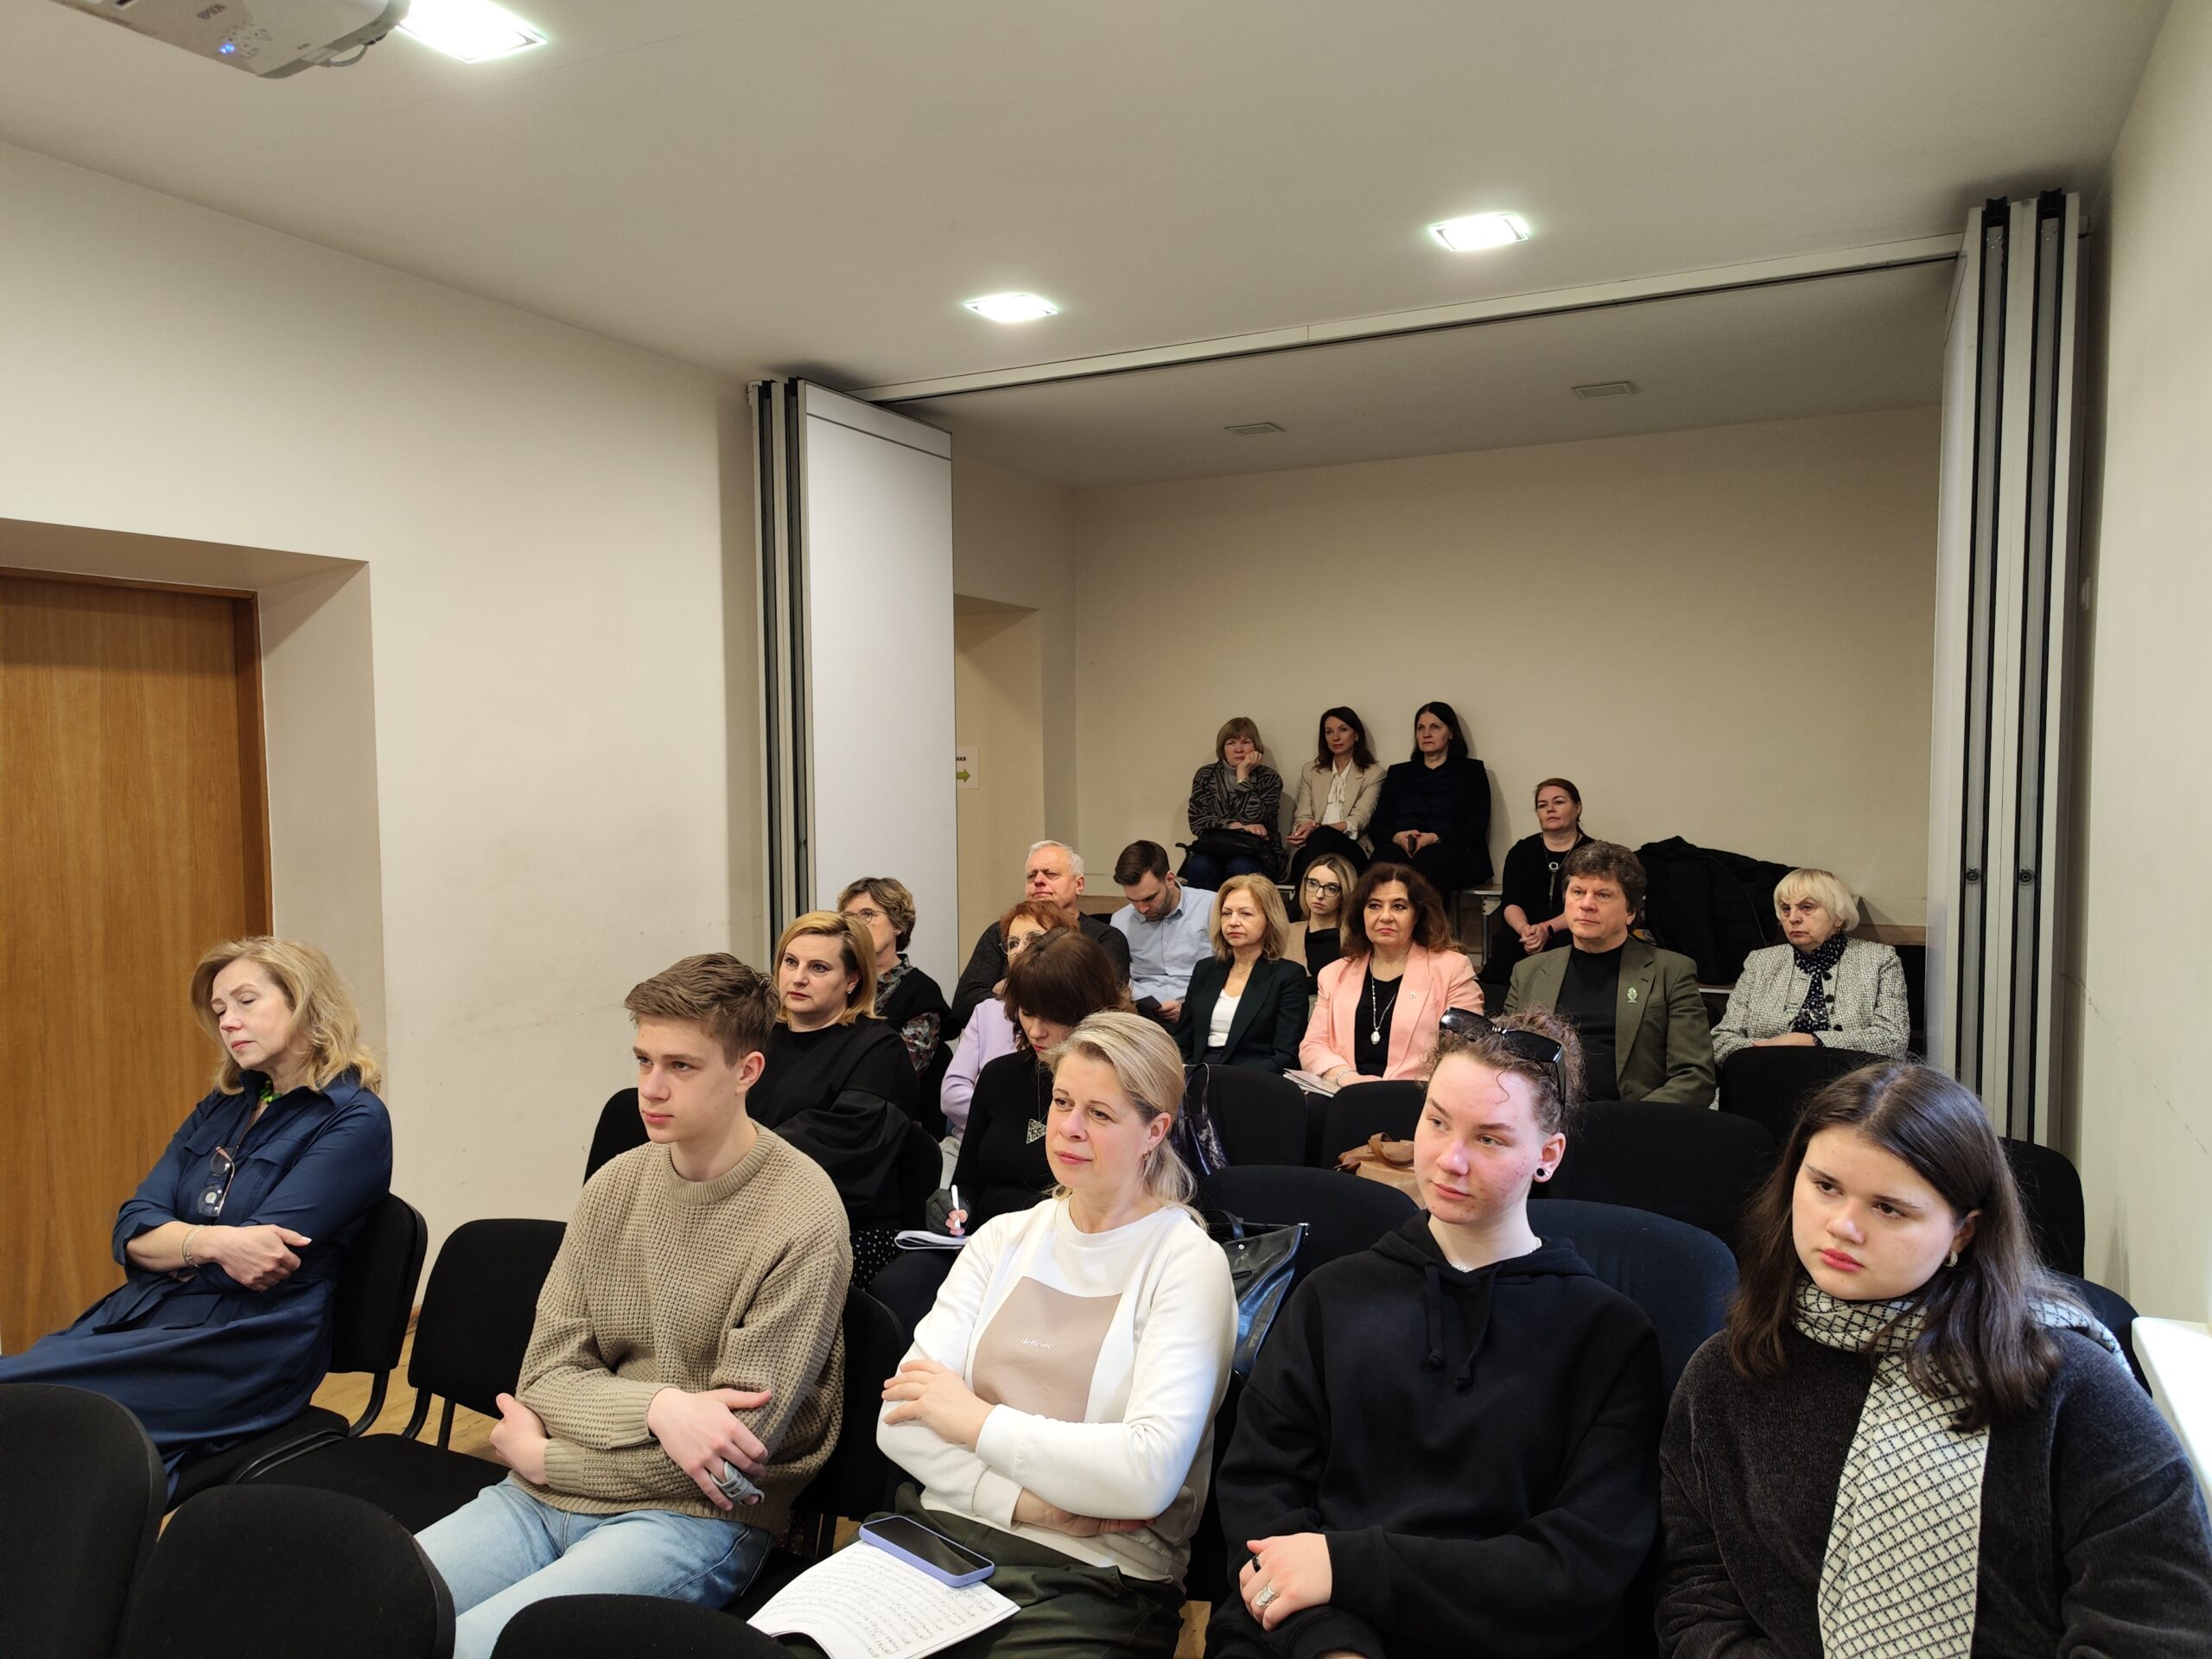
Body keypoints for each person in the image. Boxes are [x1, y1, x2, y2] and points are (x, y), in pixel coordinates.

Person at [1658, 1063, 2212, 1657]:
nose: (1843, 1226)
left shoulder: (2066, 1380)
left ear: (1963, 1232)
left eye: (1889, 1208)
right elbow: (1698, 1599)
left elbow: (2157, 1619)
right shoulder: (1729, 1372)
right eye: (1826, 1186)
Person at [416, 954, 850, 1659]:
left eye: (681, 1066)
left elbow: (729, 1464)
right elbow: (545, 1378)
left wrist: (551, 1458)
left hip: (691, 1519)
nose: (651, 1088)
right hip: (539, 1497)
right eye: (644, 1060)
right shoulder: (614, 1185)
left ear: (746, 1071)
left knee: (476, 1650)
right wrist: (663, 1409)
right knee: (380, 1615)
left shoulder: (803, 1214)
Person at [1206, 1009, 1664, 1659]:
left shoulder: (1609, 1338)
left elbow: (1577, 1571)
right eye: (1437, 1122)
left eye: (1490, 1139)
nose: (1450, 1160)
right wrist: (1332, 1645)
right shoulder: (1330, 1298)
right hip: (1310, 1637)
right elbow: (1260, 1505)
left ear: (1548, 1156)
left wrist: (1349, 1568)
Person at [867, 1012, 1237, 1659]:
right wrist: (1035, 1505)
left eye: (1100, 1114)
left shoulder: (1186, 1264)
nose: (1067, 1128)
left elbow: (1145, 1475)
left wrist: (974, 1420)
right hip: (938, 1536)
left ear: (1155, 1131)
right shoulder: (1003, 1238)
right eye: (1062, 1102)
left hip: (1097, 1572)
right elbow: (898, 1422)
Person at [0, 938, 391, 1487]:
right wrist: (209, 1243)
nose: (228, 1022)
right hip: (148, 1315)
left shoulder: (353, 1119)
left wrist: (175, 1245)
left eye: (246, 1001)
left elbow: (253, 1264)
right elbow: (131, 1227)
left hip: (242, 1346)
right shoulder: (222, 1106)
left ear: (305, 1002)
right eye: (220, 1009)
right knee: (39, 1426)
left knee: (33, 1413)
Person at [751, 912, 918, 1287]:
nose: (798, 978)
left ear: (852, 980)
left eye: (819, 968)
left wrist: (735, 1158)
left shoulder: (878, 1049)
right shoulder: (759, 1038)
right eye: (790, 962)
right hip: (751, 1213)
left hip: (843, 1229)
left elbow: (842, 1148)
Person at [1507, 842, 1715, 1106]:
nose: (1587, 904)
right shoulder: (1528, 972)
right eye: (1578, 892)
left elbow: (1695, 1077)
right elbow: (1504, 1061)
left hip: (1632, 1119)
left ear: (1630, 912)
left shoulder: (1671, 972)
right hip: (1545, 1119)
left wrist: (1630, 1121)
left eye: (1603, 895)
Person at [1300, 862, 1483, 1085]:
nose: (1385, 916)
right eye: (1374, 906)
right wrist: (1346, 1078)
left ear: (1417, 915)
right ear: (1361, 914)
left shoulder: (1452, 969)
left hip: (1418, 1094)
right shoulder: (1333, 974)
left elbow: (1465, 1050)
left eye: (1398, 907)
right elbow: (1313, 1045)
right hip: (1345, 1090)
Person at [1709, 868, 1910, 1065]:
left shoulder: (1879, 959)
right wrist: (1770, 1050)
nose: (1793, 918)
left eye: (1806, 907)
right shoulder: (1760, 961)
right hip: (1767, 1075)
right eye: (1786, 909)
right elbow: (1721, 1041)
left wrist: (1810, 1041)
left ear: (1838, 916)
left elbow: (1893, 1040)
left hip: (1849, 1082)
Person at [949, 840, 1131, 1033]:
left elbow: (1099, 1007)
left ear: (1079, 884)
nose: (1038, 881)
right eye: (1031, 875)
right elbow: (964, 1006)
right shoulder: (1002, 931)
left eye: (1051, 874)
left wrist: (1010, 990)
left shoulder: (1105, 938)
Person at [938, 899, 1075, 1138]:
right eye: (1013, 943)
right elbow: (952, 1094)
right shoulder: (987, 1011)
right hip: (975, 1137)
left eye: (1033, 939)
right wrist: (1004, 1123)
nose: (1019, 950)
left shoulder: (1073, 1014)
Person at [1178, 875, 1310, 1072]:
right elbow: (1182, 1041)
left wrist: (1232, 1078)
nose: (1233, 922)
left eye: (1245, 914)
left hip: (1252, 1076)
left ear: (1270, 919)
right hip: (1198, 1071)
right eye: (1226, 913)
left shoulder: (1288, 975)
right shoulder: (1205, 969)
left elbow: (1285, 1054)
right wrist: (1190, 1071)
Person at [1365, 701, 1493, 897]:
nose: (1426, 734)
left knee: (1428, 861)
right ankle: (1383, 915)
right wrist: (1397, 837)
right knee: (1384, 860)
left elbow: (1475, 828)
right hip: (1402, 848)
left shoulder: (1471, 772)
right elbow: (1378, 826)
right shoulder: (1399, 773)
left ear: (1451, 733)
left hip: (1453, 850)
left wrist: (1434, 837)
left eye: (1435, 727)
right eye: (1420, 728)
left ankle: (1425, 919)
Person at [1484, 776, 1594, 991]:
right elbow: (1511, 902)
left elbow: (1586, 905)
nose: (1550, 809)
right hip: (1525, 931)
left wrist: (1546, 929)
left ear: (1578, 808)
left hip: (1570, 928)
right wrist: (1525, 930)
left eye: (1559, 802)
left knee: (1570, 943)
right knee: (1506, 942)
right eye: (1542, 805)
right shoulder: (1521, 851)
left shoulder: (1593, 853)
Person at [838, 875, 949, 1078]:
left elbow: (901, 1071)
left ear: (898, 925)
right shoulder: (838, 982)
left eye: (868, 914)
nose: (857, 924)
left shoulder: (921, 992)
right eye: (850, 917)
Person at [1111, 838, 1215, 1027]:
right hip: (1141, 1017)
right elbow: (1119, 981)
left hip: (1202, 1012)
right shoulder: (1121, 921)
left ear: (1170, 879)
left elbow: (1233, 972)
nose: (1142, 908)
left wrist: (1193, 1008)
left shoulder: (1212, 907)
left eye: (1149, 898)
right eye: (1132, 900)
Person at [1285, 706, 1382, 888]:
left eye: (1342, 730)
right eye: (1329, 732)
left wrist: (1320, 828)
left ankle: (1299, 902)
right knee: (1317, 845)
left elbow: (1360, 819)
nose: (1335, 737)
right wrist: (1301, 830)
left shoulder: (1373, 774)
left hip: (1351, 849)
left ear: (1356, 735)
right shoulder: (1311, 771)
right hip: (1310, 848)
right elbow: (1303, 816)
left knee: (1323, 836)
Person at [1183, 716, 1286, 889]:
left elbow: (1252, 817)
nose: (1238, 749)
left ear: (1256, 747)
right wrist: (1236, 826)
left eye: (1245, 742)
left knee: (1241, 868)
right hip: (1214, 848)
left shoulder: (1270, 779)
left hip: (1256, 852)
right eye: (1231, 743)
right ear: (1223, 748)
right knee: (1200, 866)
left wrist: (1242, 775)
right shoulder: (1206, 775)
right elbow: (1197, 822)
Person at [1282, 852, 1358, 983]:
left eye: (1331, 888)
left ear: (1344, 894)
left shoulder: (1355, 940)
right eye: (1313, 884)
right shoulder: (1286, 934)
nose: (1319, 895)